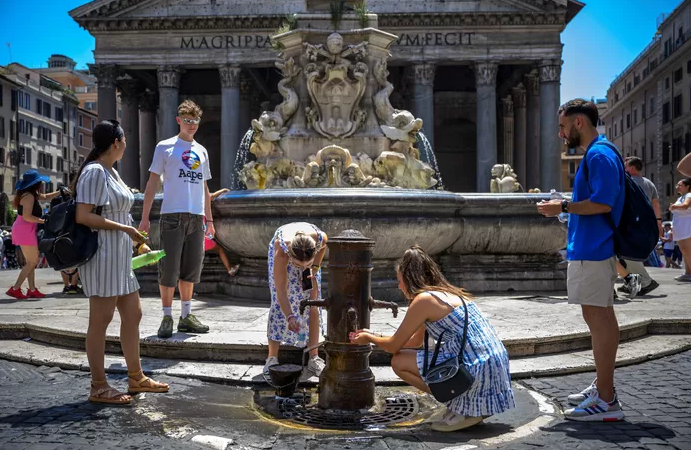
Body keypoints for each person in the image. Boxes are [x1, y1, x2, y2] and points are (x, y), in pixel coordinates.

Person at [349, 246, 515, 432]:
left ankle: (459, 404)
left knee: (398, 362)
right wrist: (375, 335)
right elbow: (414, 342)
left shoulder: (423, 300)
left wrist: (369, 339)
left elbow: (394, 346)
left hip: (475, 368)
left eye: (399, 280)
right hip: (494, 364)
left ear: (409, 278)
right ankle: (466, 405)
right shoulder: (447, 293)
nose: (399, 286)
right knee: (404, 356)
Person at [538, 99, 625, 421]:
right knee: (598, 319)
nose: (561, 134)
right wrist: (567, 208)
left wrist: (562, 208)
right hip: (590, 247)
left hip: (594, 248)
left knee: (600, 321)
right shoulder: (599, 152)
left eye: (562, 126)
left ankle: (607, 400)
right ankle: (603, 386)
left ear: (578, 123)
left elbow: (603, 203)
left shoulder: (599, 154)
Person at [73, 119, 169, 404]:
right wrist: (125, 229)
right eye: (124, 139)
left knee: (134, 313)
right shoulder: (94, 172)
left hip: (119, 256)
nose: (126, 144)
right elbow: (83, 216)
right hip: (102, 256)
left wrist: (135, 240)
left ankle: (136, 377)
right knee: (100, 321)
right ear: (116, 142)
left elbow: (120, 210)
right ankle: (99, 386)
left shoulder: (111, 172)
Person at [139, 100, 214, 339]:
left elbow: (205, 188)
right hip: (172, 215)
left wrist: (209, 220)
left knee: (191, 268)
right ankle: (167, 316)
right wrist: (144, 217)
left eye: (195, 121)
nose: (192, 125)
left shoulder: (202, 151)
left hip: (196, 216)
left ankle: (185, 316)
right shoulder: (165, 147)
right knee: (168, 269)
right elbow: (152, 183)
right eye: (187, 120)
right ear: (178, 120)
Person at [264, 222, 327, 377]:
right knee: (279, 306)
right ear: (291, 257)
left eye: (306, 263)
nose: (301, 267)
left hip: (309, 263)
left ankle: (314, 357)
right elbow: (281, 290)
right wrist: (290, 316)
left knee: (313, 303)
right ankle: (271, 358)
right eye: (299, 264)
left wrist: (314, 267)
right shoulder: (282, 250)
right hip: (287, 256)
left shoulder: (320, 239)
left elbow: (323, 247)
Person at [6, 170, 61, 300]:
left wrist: (61, 191)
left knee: (31, 261)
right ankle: (15, 288)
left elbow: (46, 197)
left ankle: (32, 289)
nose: (41, 184)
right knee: (32, 261)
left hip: (25, 228)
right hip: (25, 229)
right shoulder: (29, 196)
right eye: (40, 182)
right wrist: (44, 220)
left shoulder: (30, 194)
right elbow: (27, 216)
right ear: (35, 184)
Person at [615, 156, 662, 298]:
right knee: (625, 252)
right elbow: (655, 203)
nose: (623, 167)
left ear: (632, 167)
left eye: (626, 165)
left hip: (630, 221)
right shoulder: (649, 183)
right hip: (644, 222)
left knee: (626, 252)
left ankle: (644, 281)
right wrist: (658, 222)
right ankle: (633, 282)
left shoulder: (627, 181)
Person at [206, 188, 239, 276]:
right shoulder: (205, 204)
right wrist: (223, 190)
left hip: (196, 239)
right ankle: (229, 269)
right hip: (206, 240)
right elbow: (211, 196)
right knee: (220, 249)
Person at [669, 178, 691, 282]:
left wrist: (674, 206)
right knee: (684, 251)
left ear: (687, 187)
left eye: (680, 185)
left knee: (687, 250)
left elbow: (686, 206)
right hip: (681, 227)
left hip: (686, 226)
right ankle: (688, 273)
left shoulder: (689, 195)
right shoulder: (681, 197)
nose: (677, 187)